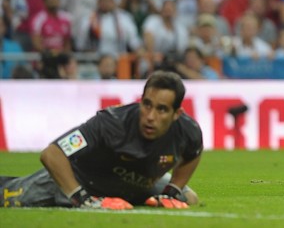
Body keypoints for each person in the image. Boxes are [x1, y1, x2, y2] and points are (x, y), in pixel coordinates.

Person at [0, 71, 202, 208]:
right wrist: (83, 199)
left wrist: (172, 191)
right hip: (81, 180)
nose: (150, 116)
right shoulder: (111, 123)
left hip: (135, 184)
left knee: (189, 198)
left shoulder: (188, 131)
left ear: (177, 114)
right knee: (8, 197)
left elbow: (194, 152)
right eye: (147, 104)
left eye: (162, 109)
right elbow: (53, 154)